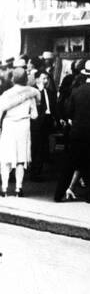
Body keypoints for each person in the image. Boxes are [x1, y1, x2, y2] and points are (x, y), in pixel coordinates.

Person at [57, 61, 90, 202]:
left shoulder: (76, 91)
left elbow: (69, 112)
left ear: (85, 73)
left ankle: (58, 194)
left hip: (77, 132)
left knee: (70, 164)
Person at [0, 68, 38, 198]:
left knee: (6, 158)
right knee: (21, 159)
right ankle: (18, 189)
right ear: (25, 80)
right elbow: (34, 115)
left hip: (9, 126)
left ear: (12, 79)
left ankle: (4, 188)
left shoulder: (6, 94)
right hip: (23, 126)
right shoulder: (30, 94)